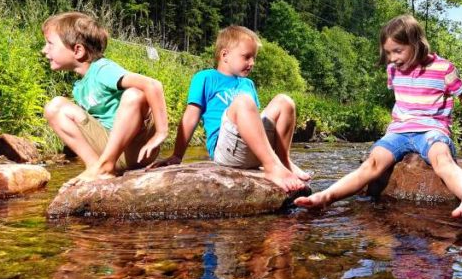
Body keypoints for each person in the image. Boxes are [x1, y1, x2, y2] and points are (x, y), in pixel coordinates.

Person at [296, 14, 462, 217]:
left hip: (432, 130)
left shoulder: (443, 68)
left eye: (397, 51)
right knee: (371, 163)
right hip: (399, 131)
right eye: (388, 53)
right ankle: (326, 196)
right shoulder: (393, 70)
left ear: (416, 43)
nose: (393, 58)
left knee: (442, 159)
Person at [154, 25, 309, 193]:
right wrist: (177, 155)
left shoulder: (248, 84)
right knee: (243, 101)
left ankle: (282, 161)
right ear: (225, 55)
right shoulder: (205, 78)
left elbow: (255, 121)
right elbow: (190, 118)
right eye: (246, 57)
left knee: (284, 101)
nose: (252, 63)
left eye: (254, 58)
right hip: (226, 150)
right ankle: (272, 168)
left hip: (254, 147)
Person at [41, 12, 168, 184]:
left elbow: (153, 85)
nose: (44, 50)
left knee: (135, 94)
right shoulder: (80, 87)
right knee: (55, 107)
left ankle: (105, 165)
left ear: (78, 50)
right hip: (110, 149)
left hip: (135, 151)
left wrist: (161, 132)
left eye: (50, 44)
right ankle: (96, 167)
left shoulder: (103, 69)